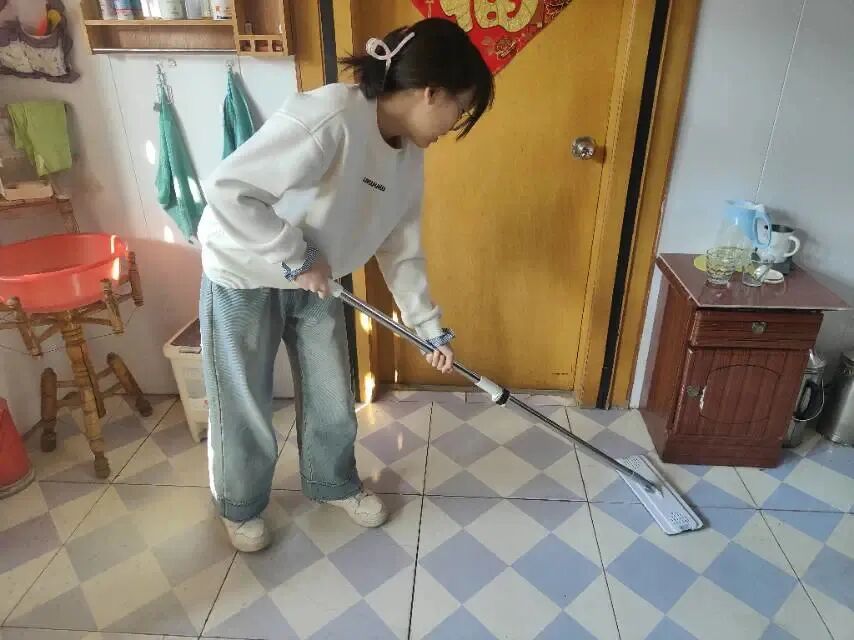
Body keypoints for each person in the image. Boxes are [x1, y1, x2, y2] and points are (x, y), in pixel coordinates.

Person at [197, 17, 495, 552]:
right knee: (243, 400)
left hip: (318, 280)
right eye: (460, 107)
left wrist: (428, 327)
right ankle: (240, 505)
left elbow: (401, 247)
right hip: (244, 270)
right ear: (431, 92)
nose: (455, 125)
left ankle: (332, 483)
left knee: (332, 392)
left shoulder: (409, 155)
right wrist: (297, 256)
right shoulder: (330, 117)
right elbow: (228, 191)